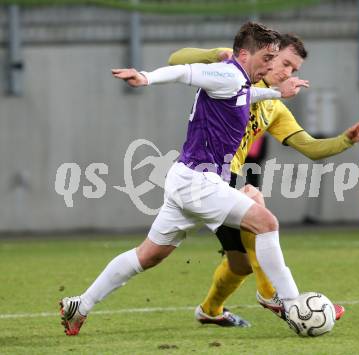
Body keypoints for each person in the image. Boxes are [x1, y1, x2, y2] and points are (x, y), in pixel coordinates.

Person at [59, 22, 310, 336]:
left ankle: (79, 306)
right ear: (243, 54)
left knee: (147, 256)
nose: (272, 65)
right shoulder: (227, 73)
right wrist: (146, 77)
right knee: (267, 223)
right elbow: (184, 71)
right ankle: (293, 303)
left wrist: (276, 92)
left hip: (188, 179)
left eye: (275, 59)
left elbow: (245, 93)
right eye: (267, 57)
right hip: (199, 183)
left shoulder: (239, 81)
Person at [168, 34, 359, 327]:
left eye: (294, 69)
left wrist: (345, 140)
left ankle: (210, 311)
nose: (288, 73)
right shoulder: (232, 75)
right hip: (203, 173)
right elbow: (175, 60)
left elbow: (312, 148)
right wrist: (216, 53)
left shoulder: (274, 107)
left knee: (240, 264)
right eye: (285, 63)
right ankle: (274, 295)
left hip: (225, 178)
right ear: (268, 56)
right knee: (255, 200)